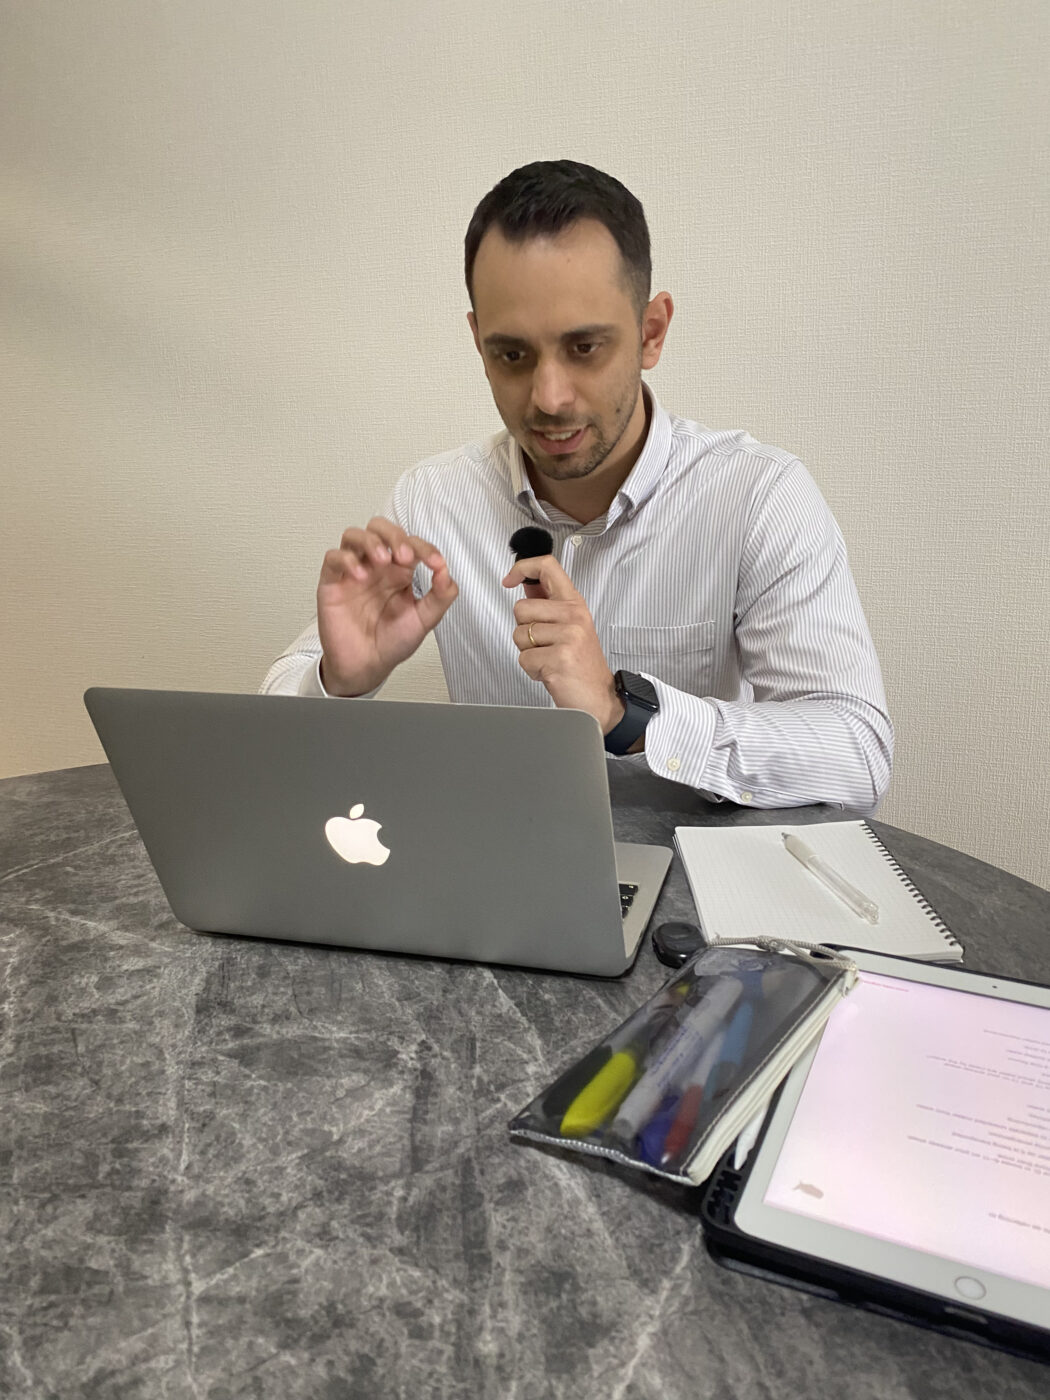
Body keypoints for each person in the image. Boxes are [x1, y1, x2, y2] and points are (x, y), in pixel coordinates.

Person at [262, 160, 893, 812]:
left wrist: (625, 714)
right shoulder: (433, 502)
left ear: (651, 332)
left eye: (584, 347)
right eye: (512, 355)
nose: (549, 398)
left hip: (690, 867)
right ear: (479, 343)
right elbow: (268, 742)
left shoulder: (759, 496)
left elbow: (857, 753)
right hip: (502, 861)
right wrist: (338, 682)